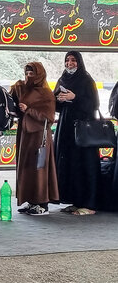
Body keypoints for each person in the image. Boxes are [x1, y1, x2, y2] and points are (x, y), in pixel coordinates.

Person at [54, 51, 100, 216]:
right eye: (67, 60)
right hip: (66, 128)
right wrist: (58, 100)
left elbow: (94, 104)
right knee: (69, 164)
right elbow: (56, 106)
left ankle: (89, 203)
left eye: (73, 60)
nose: (69, 63)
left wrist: (76, 97)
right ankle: (75, 200)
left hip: (83, 129)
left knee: (84, 163)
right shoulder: (62, 80)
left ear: (79, 62)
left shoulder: (87, 80)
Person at [10, 62, 59, 216]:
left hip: (39, 135)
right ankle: (31, 201)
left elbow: (49, 116)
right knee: (26, 167)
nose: (28, 76)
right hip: (25, 134)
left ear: (39, 75)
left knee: (39, 168)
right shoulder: (21, 88)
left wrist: (29, 110)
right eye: (27, 73)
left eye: (32, 74)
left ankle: (42, 204)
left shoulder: (46, 93)